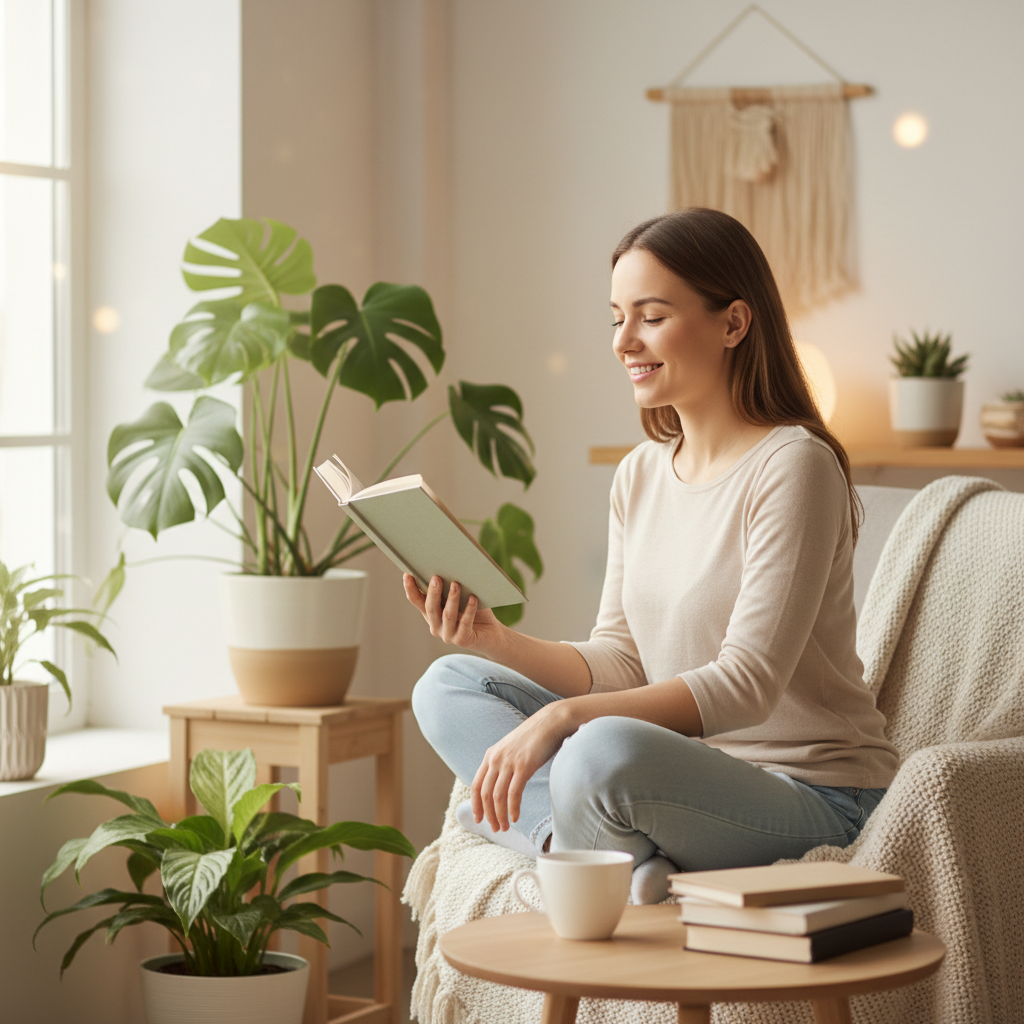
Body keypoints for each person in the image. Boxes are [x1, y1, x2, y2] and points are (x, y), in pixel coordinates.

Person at [406, 207, 898, 903]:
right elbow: (620, 660)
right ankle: (591, 852)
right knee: (450, 684)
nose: (623, 341)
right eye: (616, 318)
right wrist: (497, 640)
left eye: (651, 316)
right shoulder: (639, 474)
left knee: (597, 752)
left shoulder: (795, 464)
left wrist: (561, 718)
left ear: (733, 323)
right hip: (682, 771)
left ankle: (565, 846)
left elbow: (747, 684)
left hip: (815, 793)